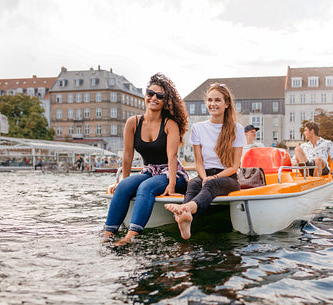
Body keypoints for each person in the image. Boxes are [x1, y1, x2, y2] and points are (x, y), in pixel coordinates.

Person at [103, 73, 189, 246]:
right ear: (145, 95)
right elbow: (127, 155)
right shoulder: (132, 123)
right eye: (151, 93)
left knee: (146, 187)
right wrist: (124, 182)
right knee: (124, 187)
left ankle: (130, 237)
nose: (154, 98)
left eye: (160, 96)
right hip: (149, 171)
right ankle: (108, 234)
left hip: (173, 174)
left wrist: (171, 185)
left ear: (166, 101)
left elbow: (172, 157)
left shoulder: (170, 124)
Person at [165, 83, 246, 240]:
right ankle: (186, 221)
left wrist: (213, 178)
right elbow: (199, 163)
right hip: (204, 175)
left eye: (217, 100)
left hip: (228, 178)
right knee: (194, 184)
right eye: (209, 100)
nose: (212, 104)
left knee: (210, 184)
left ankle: (185, 209)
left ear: (226, 104)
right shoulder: (198, 128)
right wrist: (204, 177)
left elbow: (234, 166)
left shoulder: (237, 129)